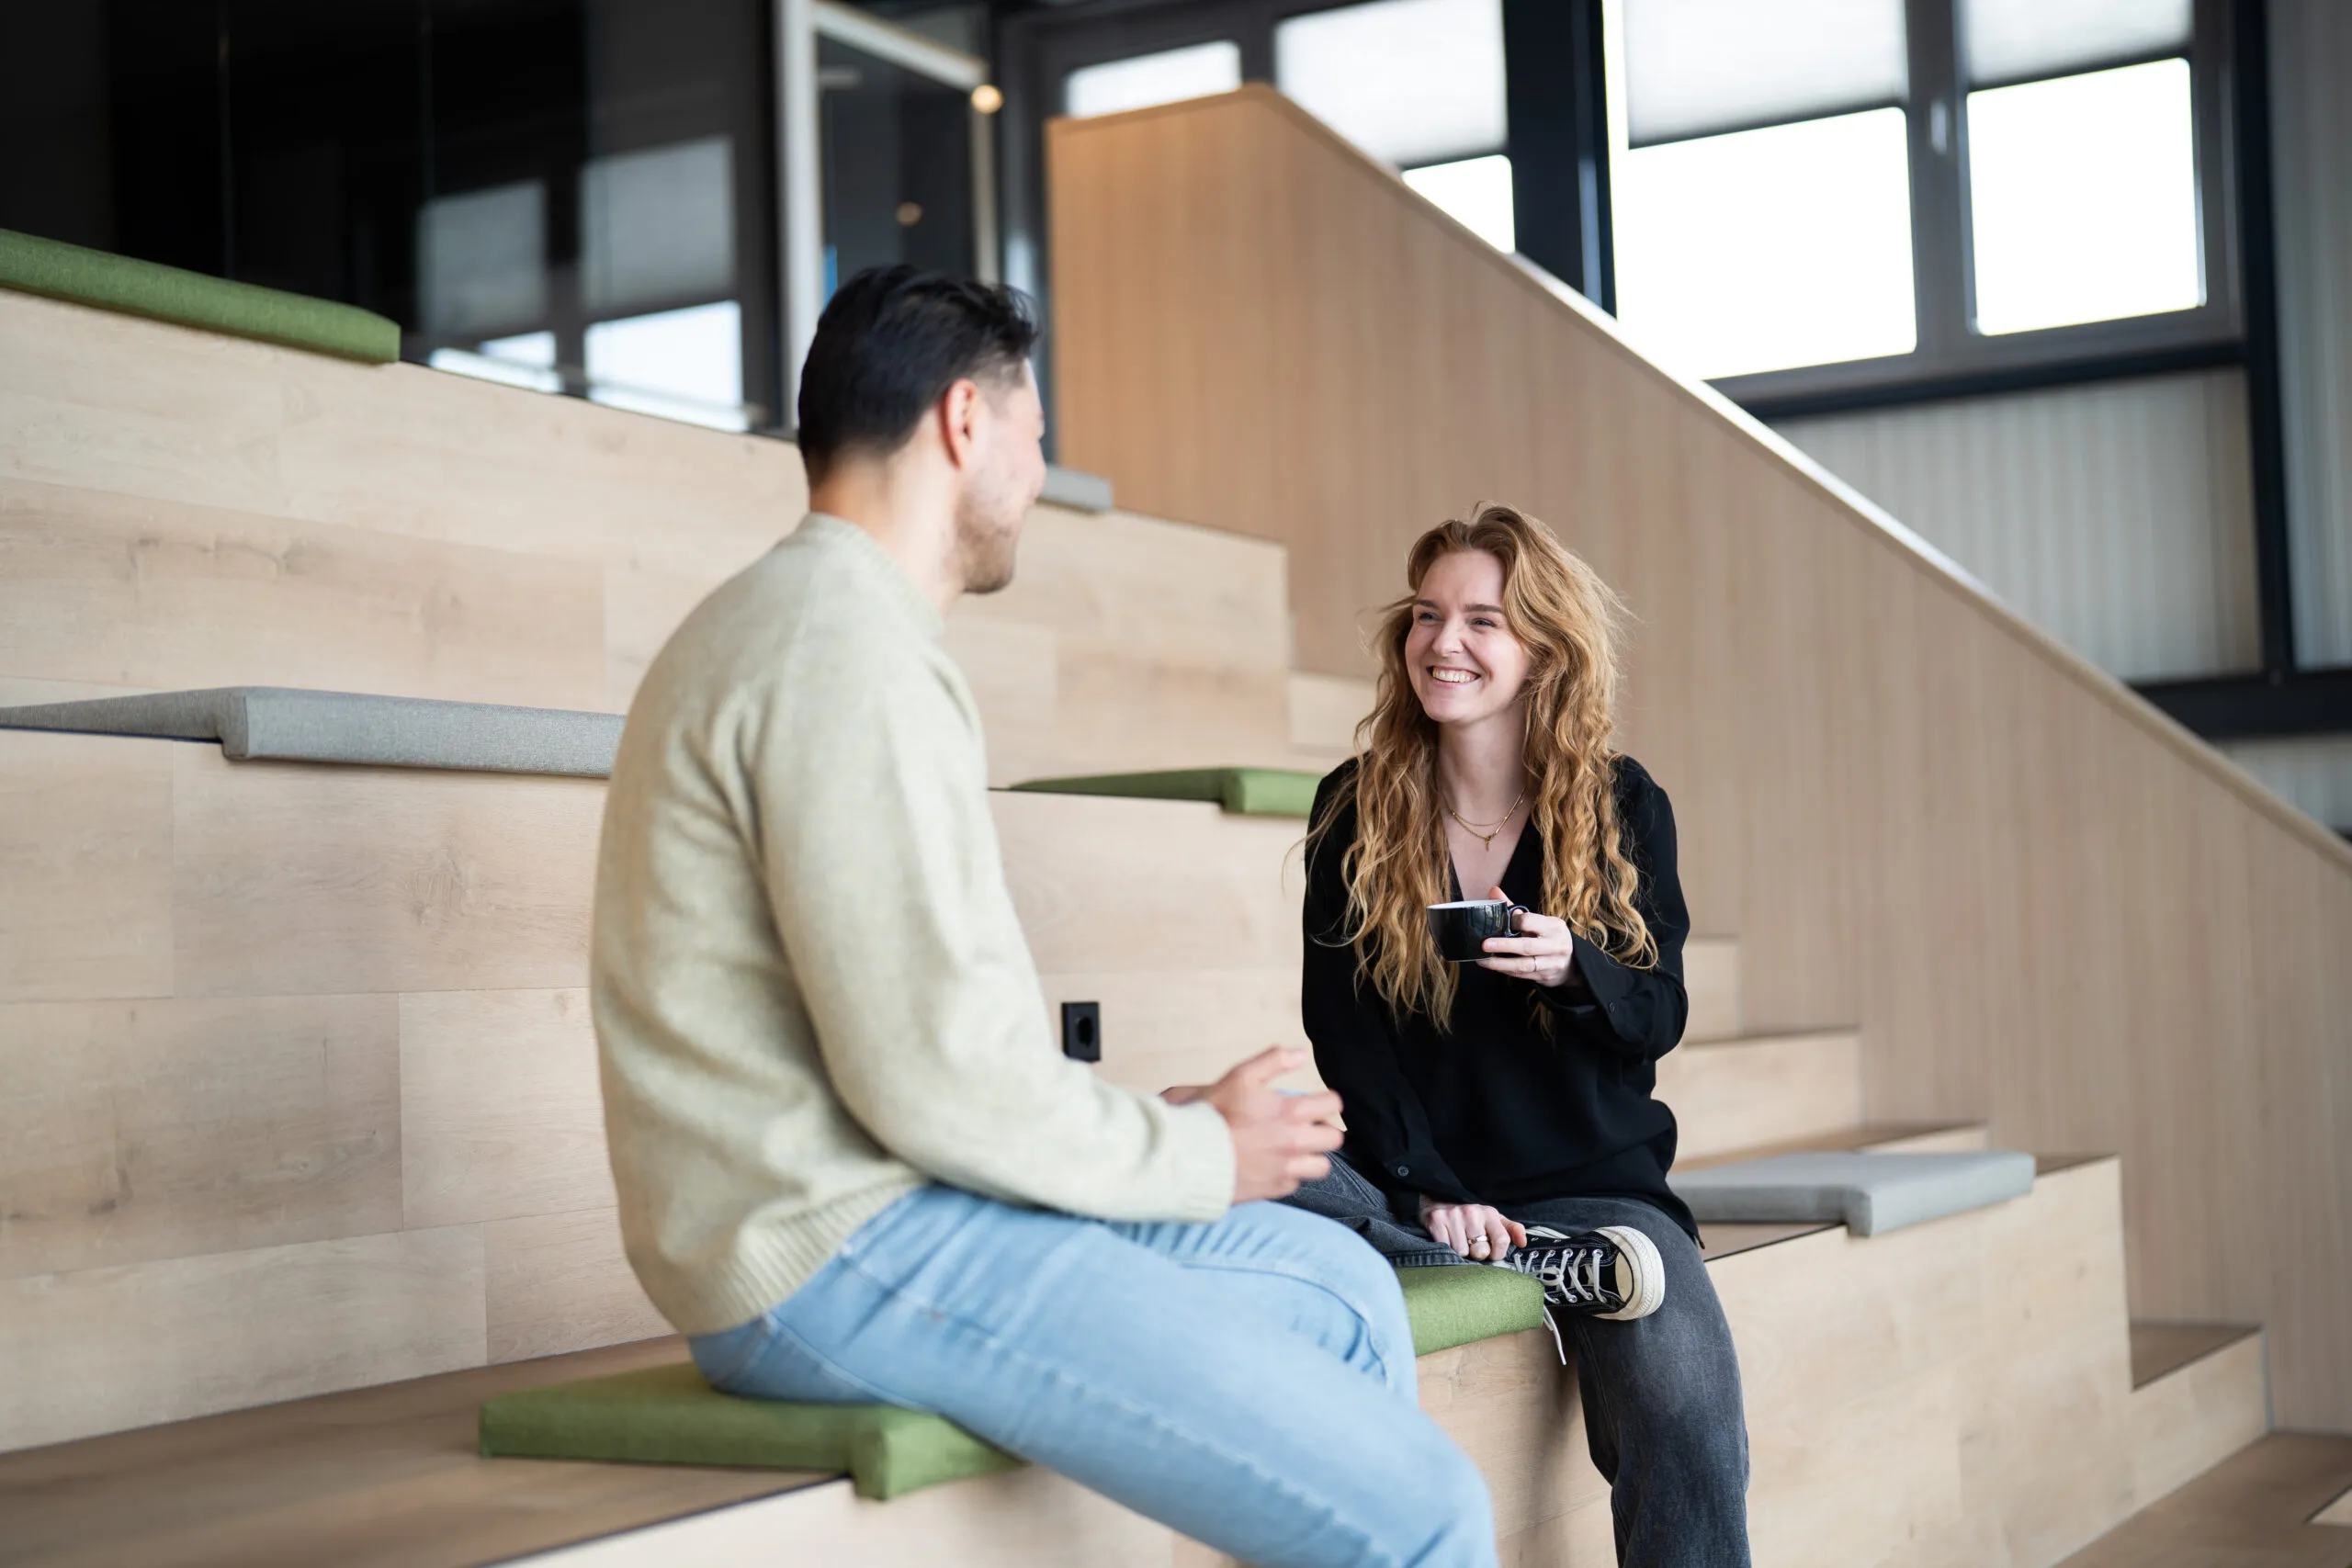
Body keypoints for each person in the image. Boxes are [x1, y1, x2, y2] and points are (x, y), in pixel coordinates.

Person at [590, 265, 1499, 1566]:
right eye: (1033, 433)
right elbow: (932, 1076)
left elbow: (924, 1051)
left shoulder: (807, 623)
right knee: (1430, 1508)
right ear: (964, 421)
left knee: (1343, 1286)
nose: (1037, 474)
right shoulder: (841, 653)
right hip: (839, 1249)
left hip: (885, 1206)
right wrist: (1197, 1154)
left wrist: (1153, 1133)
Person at [1283, 503, 1751, 1567]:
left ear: (1541, 649)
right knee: (1245, 1143)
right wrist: (1434, 1191)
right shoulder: (1351, 809)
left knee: (1688, 1423)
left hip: (1594, 1194)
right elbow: (1342, 1035)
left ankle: (1543, 1253)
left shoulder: (1622, 803)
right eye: (1426, 615)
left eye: (1481, 621)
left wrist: (1577, 969)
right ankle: (1518, 1259)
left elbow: (1658, 1015)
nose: (1441, 641)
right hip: (1412, 1185)